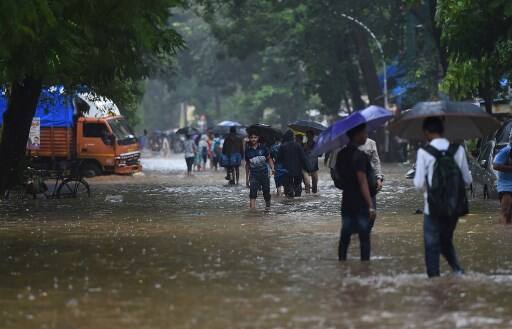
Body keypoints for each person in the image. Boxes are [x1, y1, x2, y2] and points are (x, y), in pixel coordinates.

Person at [413, 117, 472, 278]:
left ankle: (434, 282)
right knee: (445, 240)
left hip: (431, 208)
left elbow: (418, 184)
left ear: (426, 132)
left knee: (431, 245)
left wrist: (430, 192)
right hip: (453, 208)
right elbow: (467, 180)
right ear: (442, 130)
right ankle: (458, 271)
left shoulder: (424, 152)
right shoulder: (458, 150)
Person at [336, 124, 376, 261]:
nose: (366, 136)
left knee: (345, 234)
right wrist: (371, 205)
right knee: (364, 236)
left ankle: (342, 264)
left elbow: (338, 178)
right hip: (360, 203)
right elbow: (362, 181)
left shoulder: (340, 155)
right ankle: (365, 268)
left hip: (346, 200)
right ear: (356, 135)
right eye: (364, 133)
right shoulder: (360, 156)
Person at [245, 133, 274, 209]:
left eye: (255, 137)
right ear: (249, 139)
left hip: (264, 173)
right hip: (254, 174)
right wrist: (246, 179)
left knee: (266, 193)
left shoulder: (263, 148)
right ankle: (252, 213)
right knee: (252, 193)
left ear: (258, 138)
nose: (253, 139)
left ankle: (268, 208)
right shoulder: (247, 150)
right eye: (251, 137)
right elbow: (247, 164)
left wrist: (272, 168)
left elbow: (269, 159)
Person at [278, 130, 311, 197]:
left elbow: (279, 159)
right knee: (298, 187)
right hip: (297, 171)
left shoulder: (282, 147)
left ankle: (290, 200)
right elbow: (303, 158)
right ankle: (297, 202)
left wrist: (278, 170)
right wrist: (308, 169)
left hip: (286, 171)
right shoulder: (298, 146)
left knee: (288, 189)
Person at [492, 130, 512, 224]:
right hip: (506, 186)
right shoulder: (505, 151)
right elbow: (495, 166)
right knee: (506, 211)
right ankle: (502, 233)